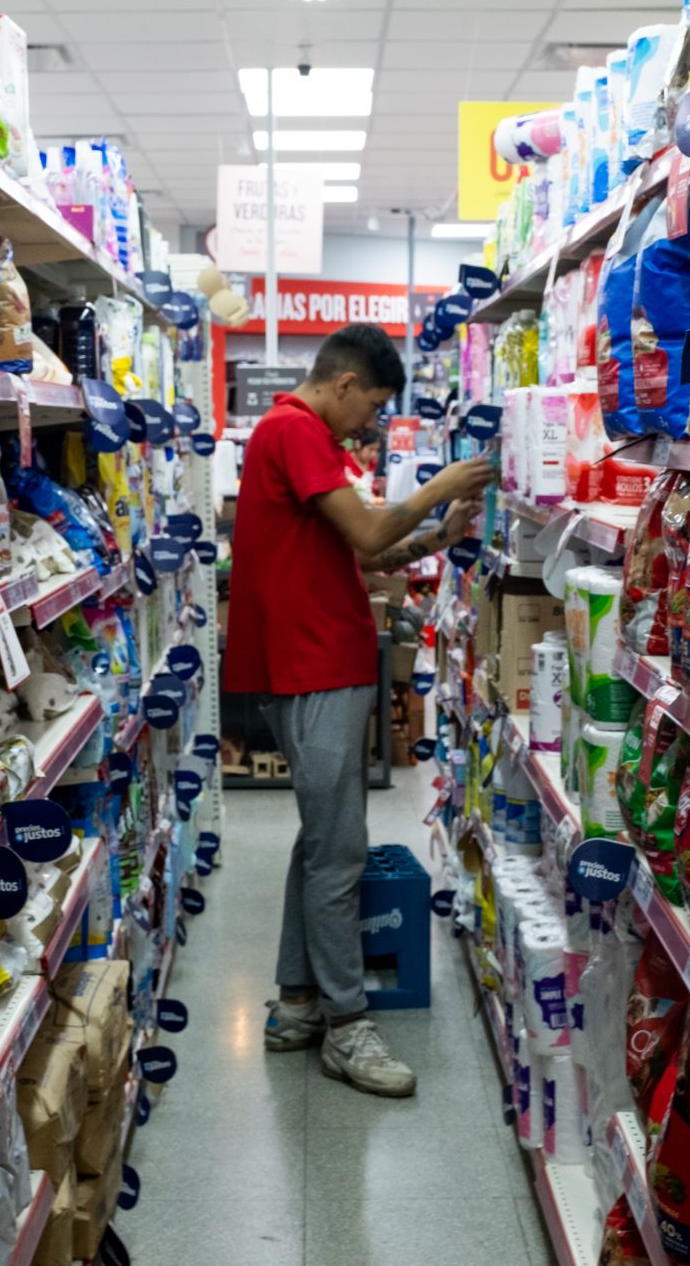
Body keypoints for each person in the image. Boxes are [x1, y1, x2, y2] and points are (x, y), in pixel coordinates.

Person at [224, 323, 492, 1098]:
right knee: (339, 851)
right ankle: (346, 1025)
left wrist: (438, 536)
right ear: (343, 384)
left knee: (320, 843)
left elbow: (366, 554)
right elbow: (374, 527)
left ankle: (297, 1004)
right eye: (371, 404)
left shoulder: (301, 439)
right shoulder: (293, 430)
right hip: (312, 669)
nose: (371, 421)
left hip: (316, 664)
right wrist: (435, 488)